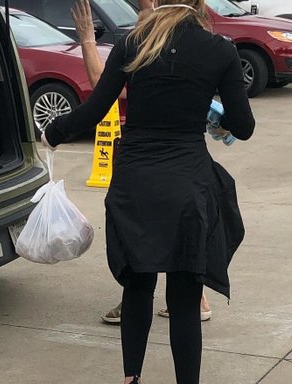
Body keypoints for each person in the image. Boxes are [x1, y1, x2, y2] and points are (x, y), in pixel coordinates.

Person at [42, 0, 255, 382]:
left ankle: (131, 379)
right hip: (188, 185)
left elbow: (94, 111)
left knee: (138, 287)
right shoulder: (220, 48)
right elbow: (243, 126)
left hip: (135, 183)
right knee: (185, 300)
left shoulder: (133, 42)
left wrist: (53, 132)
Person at [70, 0, 212, 325]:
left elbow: (97, 85)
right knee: (180, 228)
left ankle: (137, 298)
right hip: (187, 155)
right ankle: (194, 296)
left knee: (141, 233)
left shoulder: (145, 31)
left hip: (146, 156)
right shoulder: (201, 33)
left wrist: (88, 38)